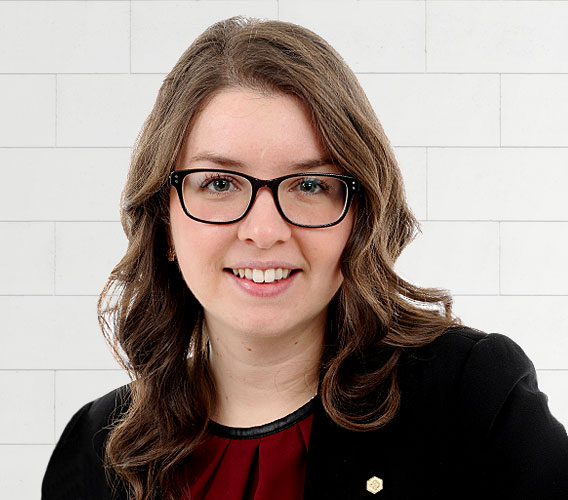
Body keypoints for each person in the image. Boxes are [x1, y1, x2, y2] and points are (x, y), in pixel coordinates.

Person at [42, 16, 568, 500]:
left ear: (359, 215)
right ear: (164, 220)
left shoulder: (471, 397)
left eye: (311, 184)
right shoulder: (94, 449)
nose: (263, 231)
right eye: (219, 183)